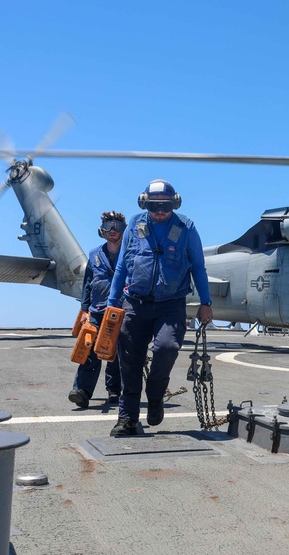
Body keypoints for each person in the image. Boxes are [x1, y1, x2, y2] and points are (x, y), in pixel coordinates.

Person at [106, 180, 212, 436]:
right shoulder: (134, 224)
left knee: (167, 347)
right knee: (129, 363)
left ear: (174, 204)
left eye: (165, 206)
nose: (160, 211)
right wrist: (111, 303)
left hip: (171, 304)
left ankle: (155, 394)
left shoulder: (185, 227)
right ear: (145, 204)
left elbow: (197, 265)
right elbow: (121, 266)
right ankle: (127, 418)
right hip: (134, 303)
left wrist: (206, 303)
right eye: (154, 206)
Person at [68, 211, 126, 410]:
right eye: (109, 225)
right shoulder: (94, 255)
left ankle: (114, 391)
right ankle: (82, 392)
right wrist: (84, 309)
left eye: (117, 226)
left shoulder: (129, 254)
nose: (112, 230)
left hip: (121, 311)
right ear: (102, 229)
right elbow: (87, 285)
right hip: (97, 309)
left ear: (123, 230)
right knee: (88, 348)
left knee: (115, 352)